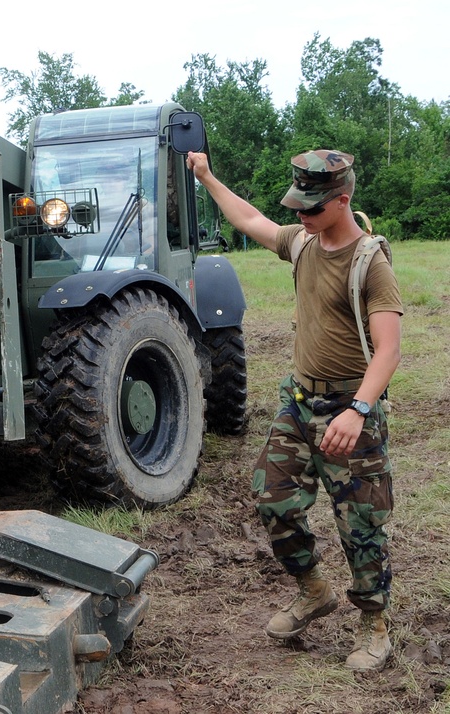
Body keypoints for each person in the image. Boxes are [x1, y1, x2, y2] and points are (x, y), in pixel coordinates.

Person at [187, 149, 403, 671]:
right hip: (300, 402)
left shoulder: (369, 262)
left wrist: (357, 410)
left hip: (350, 408)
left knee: (361, 525)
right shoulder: (302, 241)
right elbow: (250, 219)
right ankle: (313, 590)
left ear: (342, 200)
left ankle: (375, 625)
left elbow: (390, 349)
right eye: (298, 205)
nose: (300, 215)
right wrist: (208, 177)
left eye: (312, 206)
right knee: (272, 498)